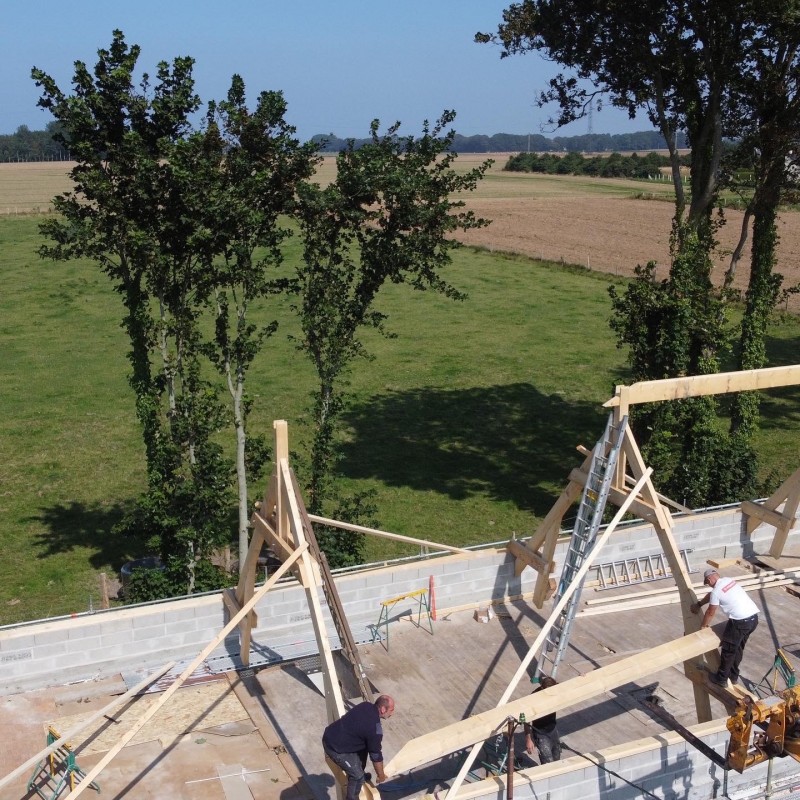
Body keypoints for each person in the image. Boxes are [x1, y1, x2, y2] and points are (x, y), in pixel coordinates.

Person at [691, 567, 760, 686]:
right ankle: (733, 677)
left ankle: (721, 679)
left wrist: (703, 626)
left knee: (728, 650)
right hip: (753, 618)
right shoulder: (728, 580)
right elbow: (711, 595)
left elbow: (710, 612)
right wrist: (699, 604)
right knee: (737, 648)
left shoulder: (716, 591)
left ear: (709, 579)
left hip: (740, 622)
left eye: (707, 583)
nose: (709, 585)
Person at [322, 695, 395, 800]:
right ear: (383, 709)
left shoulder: (365, 705)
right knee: (357, 776)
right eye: (391, 710)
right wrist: (381, 775)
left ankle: (359, 771)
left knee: (365, 746)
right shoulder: (375, 730)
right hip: (334, 747)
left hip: (332, 733)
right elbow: (376, 755)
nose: (392, 713)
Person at [524, 676, 561, 764]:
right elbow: (526, 720)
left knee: (557, 757)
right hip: (540, 733)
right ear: (542, 688)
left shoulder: (556, 688)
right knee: (548, 762)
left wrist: (582, 677)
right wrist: (528, 739)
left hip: (553, 729)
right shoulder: (534, 698)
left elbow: (570, 686)